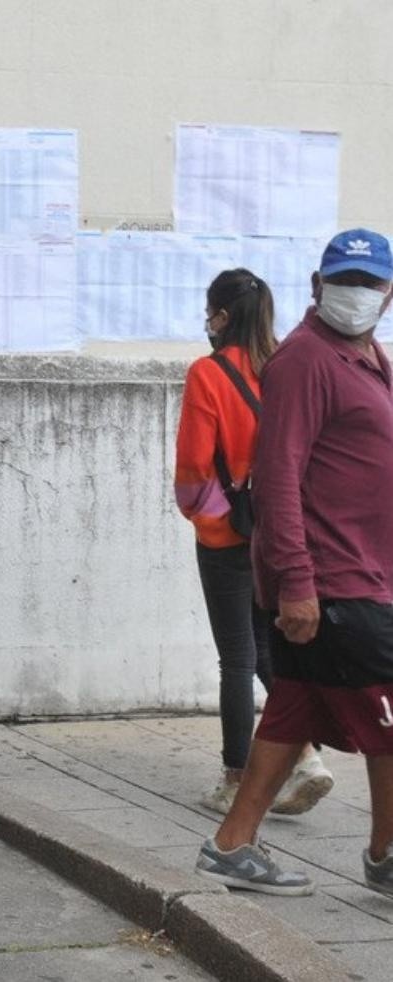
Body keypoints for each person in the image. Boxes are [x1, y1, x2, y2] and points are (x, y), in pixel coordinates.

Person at [196, 229, 393, 901]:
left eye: (369, 283)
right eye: (345, 280)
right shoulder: (306, 359)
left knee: (290, 713)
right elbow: (277, 478)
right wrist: (297, 584)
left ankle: (231, 846)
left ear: (389, 292)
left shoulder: (368, 358)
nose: (356, 294)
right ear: (314, 285)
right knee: (389, 718)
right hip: (332, 578)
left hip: (366, 572)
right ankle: (387, 854)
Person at [175, 268, 333, 815]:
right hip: (282, 532)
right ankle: (308, 757)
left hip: (227, 535)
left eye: (209, 311)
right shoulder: (285, 368)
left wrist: (210, 520)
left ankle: (234, 777)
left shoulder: (208, 374)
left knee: (237, 660)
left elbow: (195, 471)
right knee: (270, 649)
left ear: (220, 316)